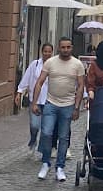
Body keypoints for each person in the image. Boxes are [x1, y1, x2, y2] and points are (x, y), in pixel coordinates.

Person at [34, 40, 84, 182]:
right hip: (51, 103)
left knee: (63, 137)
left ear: (72, 48)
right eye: (63, 47)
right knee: (46, 133)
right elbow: (40, 82)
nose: (66, 50)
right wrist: (35, 102)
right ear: (59, 48)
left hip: (68, 105)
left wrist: (76, 107)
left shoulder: (77, 65)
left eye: (68, 47)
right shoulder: (50, 63)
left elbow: (80, 86)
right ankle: (45, 163)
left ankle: (60, 167)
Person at [18, 45, 50, 152]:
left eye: (49, 52)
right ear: (41, 52)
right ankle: (33, 138)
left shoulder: (54, 65)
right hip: (35, 100)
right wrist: (19, 91)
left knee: (46, 128)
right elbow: (27, 77)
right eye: (45, 51)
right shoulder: (35, 64)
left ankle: (43, 148)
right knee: (34, 125)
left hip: (49, 100)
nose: (47, 53)